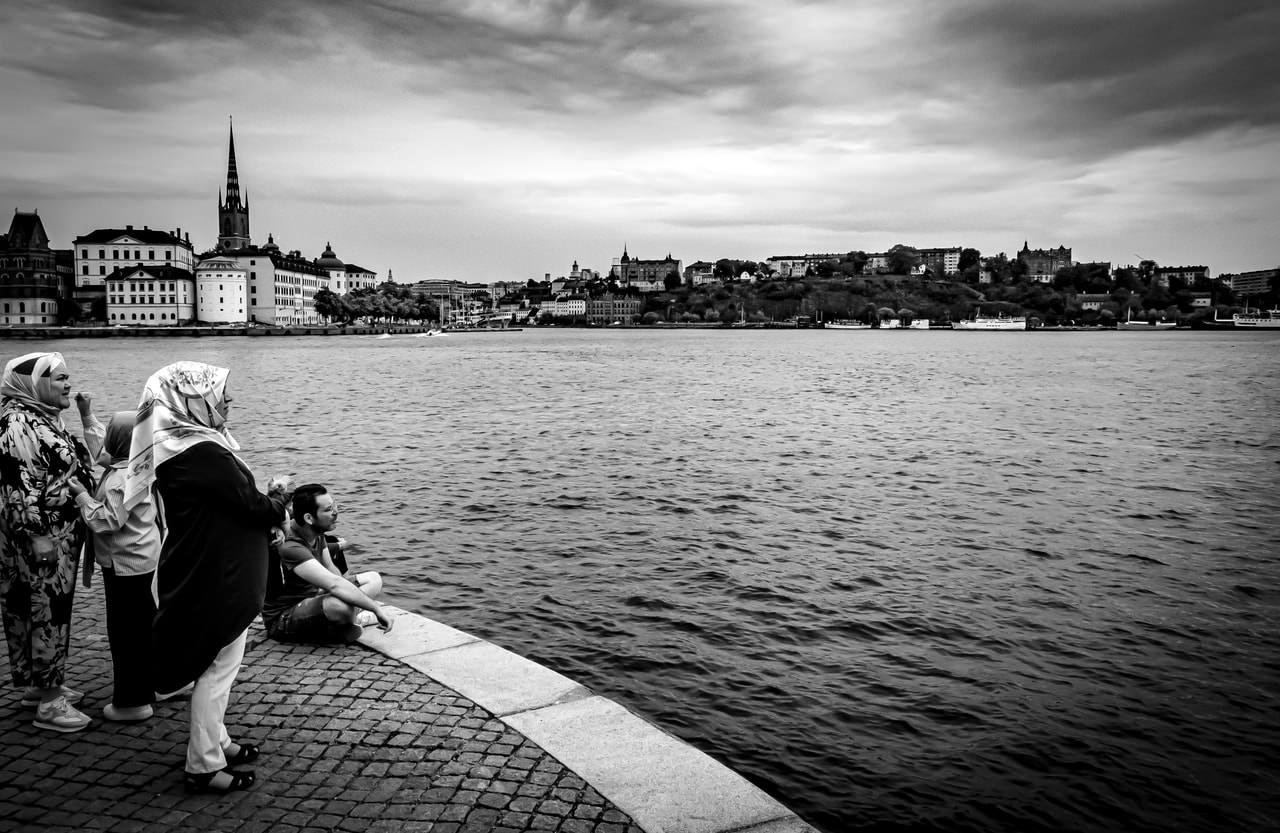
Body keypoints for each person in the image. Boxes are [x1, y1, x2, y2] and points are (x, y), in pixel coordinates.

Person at [123, 361, 286, 793]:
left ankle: (219, 740)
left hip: (209, 566)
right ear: (191, 400)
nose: (228, 400)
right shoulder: (201, 452)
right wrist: (280, 508)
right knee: (218, 668)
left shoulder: (185, 445)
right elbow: (248, 504)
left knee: (219, 663)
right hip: (216, 576)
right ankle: (204, 763)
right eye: (219, 393)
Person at [0, 351, 103, 733]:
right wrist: (36, 534)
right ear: (35, 383)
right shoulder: (18, 424)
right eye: (59, 378)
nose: (67, 384)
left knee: (36, 609)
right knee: (45, 612)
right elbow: (17, 485)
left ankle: (39, 685)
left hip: (57, 535)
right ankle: (49, 701)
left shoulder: (41, 418)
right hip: (42, 537)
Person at [67, 411, 161, 722]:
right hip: (142, 559)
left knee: (126, 634)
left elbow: (108, 521)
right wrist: (86, 415)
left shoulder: (122, 478)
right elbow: (103, 454)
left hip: (125, 565)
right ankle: (152, 687)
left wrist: (82, 497)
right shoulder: (138, 467)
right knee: (142, 628)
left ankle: (132, 703)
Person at [262, 484, 393, 643]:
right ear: (309, 518)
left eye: (334, 505)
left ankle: (347, 620)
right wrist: (375, 608)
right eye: (329, 509)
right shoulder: (289, 546)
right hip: (284, 617)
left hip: (314, 596)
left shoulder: (315, 530)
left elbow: (332, 570)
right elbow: (333, 584)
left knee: (374, 579)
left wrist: (348, 596)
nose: (336, 512)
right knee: (339, 606)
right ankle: (348, 620)